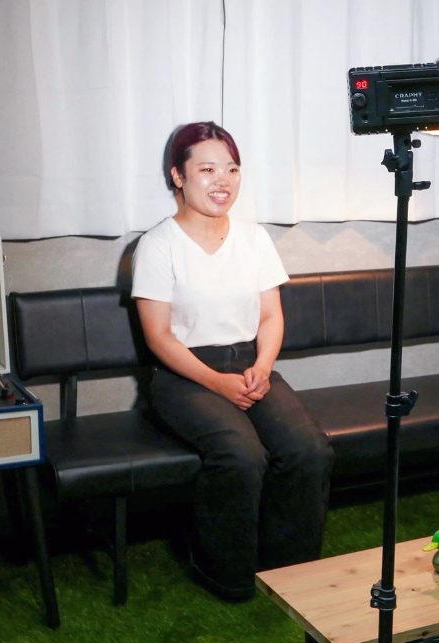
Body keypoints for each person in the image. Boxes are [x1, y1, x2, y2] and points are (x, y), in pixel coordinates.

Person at [132, 121, 333, 601]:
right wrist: (217, 383)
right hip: (183, 374)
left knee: (309, 449)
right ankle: (226, 573)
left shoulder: (253, 237)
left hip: (249, 364)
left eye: (232, 169)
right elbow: (159, 337)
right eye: (207, 169)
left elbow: (270, 316)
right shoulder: (157, 244)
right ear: (178, 176)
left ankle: (289, 570)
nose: (222, 180)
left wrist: (262, 366)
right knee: (241, 455)